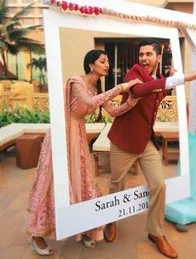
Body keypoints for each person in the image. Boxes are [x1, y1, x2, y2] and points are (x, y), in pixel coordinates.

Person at [26, 49, 141, 256]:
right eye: (103, 61)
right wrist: (121, 87)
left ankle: (84, 227)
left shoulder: (96, 88)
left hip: (78, 133)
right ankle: (37, 234)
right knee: (54, 181)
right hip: (62, 134)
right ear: (90, 64)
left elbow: (113, 111)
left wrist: (132, 101)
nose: (107, 65)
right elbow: (89, 103)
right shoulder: (76, 82)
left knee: (82, 179)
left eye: (107, 61)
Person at [104, 39, 196, 259]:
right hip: (123, 141)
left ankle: (156, 232)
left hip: (146, 142)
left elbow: (157, 95)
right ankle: (111, 220)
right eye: (141, 54)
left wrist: (167, 80)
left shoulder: (157, 79)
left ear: (158, 57)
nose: (143, 58)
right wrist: (183, 77)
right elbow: (142, 90)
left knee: (159, 185)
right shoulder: (133, 73)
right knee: (117, 185)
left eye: (149, 54)